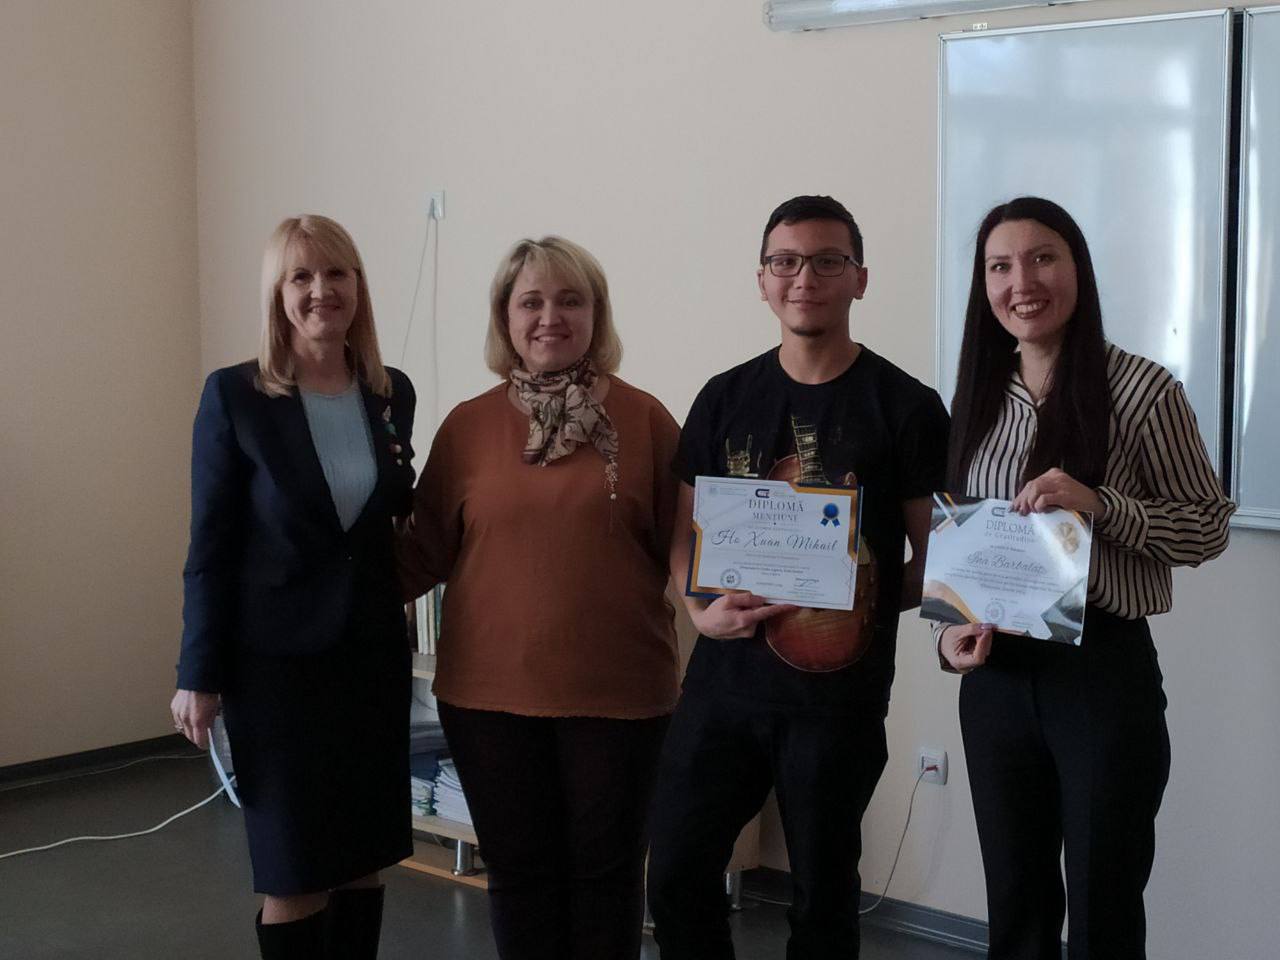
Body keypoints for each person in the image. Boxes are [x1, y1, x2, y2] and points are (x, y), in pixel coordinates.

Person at [646, 195, 951, 959]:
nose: (804, 278)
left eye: (827, 261)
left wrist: (858, 596)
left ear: (860, 278)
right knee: (676, 873)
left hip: (837, 702)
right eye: (784, 261)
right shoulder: (723, 396)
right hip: (722, 687)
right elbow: (684, 536)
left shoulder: (907, 407)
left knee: (823, 900)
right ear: (762, 280)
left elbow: (937, 561)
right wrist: (698, 607)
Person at [937, 196, 1235, 960]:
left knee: (1104, 906)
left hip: (1101, 675)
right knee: (1016, 905)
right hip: (997, 678)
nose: (1021, 282)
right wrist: (949, 642)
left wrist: (1101, 505)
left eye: (1043, 258)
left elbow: (1208, 526)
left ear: (1078, 268)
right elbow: (965, 547)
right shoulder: (975, 394)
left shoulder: (1142, 390)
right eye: (1000, 266)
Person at [396, 236, 681, 960]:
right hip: (488, 700)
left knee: (608, 880)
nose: (550, 317)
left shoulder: (647, 421)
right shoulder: (467, 426)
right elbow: (421, 553)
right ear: (505, 317)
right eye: (531, 302)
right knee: (520, 879)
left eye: (569, 300)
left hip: (619, 698)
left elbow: (691, 552)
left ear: (596, 314)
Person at [171, 215, 417, 958]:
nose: (320, 290)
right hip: (276, 671)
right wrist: (197, 674)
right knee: (296, 873)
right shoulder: (236, 395)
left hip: (368, 658)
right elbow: (210, 547)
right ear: (277, 294)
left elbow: (389, 514)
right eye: (300, 276)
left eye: (336, 273)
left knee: (364, 860)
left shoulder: (390, 392)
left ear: (358, 287)